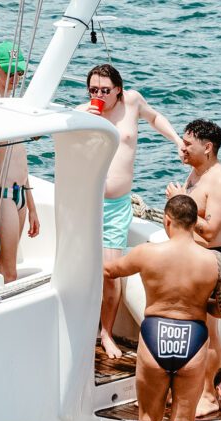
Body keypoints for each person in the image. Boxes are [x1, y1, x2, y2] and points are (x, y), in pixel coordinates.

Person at [104, 195, 221, 421]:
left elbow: (111, 271)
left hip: (154, 336)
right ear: (194, 224)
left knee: (149, 420)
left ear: (166, 221)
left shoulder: (147, 254)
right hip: (192, 338)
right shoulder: (214, 261)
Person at [78, 64, 183, 359]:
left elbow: (155, 117)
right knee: (83, 270)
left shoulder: (132, 102)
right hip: (87, 203)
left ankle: (106, 333)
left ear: (118, 89)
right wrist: (80, 123)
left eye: (105, 90)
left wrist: (176, 141)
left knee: (112, 273)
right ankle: (83, 327)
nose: (99, 95)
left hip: (115, 207)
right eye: (93, 90)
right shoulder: (83, 113)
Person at [165, 119, 221, 416]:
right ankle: (190, 390)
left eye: (187, 143)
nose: (181, 147)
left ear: (207, 148)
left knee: (208, 333)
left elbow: (210, 231)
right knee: (188, 329)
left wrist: (179, 202)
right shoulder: (195, 174)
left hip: (211, 261)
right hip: (187, 261)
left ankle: (209, 395)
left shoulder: (220, 181)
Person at [0, 42, 39, 281]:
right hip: (2, 194)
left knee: (8, 264)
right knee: (8, 270)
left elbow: (20, 161)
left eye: (20, 72)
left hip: (20, 193)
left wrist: (32, 206)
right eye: (10, 72)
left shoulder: (15, 103)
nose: (16, 77)